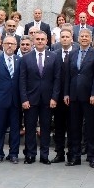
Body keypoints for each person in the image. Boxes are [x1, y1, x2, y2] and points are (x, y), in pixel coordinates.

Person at [19, 30, 60, 164]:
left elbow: (57, 79)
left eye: (42, 39)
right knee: (30, 128)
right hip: (30, 99)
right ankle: (30, 155)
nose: (40, 41)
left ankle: (44, 155)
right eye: (38, 39)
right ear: (33, 41)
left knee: (45, 128)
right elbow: (22, 80)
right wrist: (24, 99)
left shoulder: (54, 57)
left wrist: (54, 98)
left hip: (48, 100)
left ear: (47, 41)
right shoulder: (26, 58)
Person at [65, 28, 94, 168]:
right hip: (74, 96)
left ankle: (92, 157)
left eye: (87, 36)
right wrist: (66, 93)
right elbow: (68, 75)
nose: (84, 38)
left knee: (91, 128)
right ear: (78, 38)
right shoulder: (72, 54)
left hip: (89, 97)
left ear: (91, 39)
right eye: (82, 36)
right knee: (74, 127)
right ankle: (75, 156)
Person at [0, 35, 21, 163]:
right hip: (0, 101)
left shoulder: (20, 60)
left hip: (16, 101)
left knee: (15, 129)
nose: (10, 46)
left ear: (16, 46)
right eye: (7, 43)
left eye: (12, 44)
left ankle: (13, 154)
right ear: (3, 45)